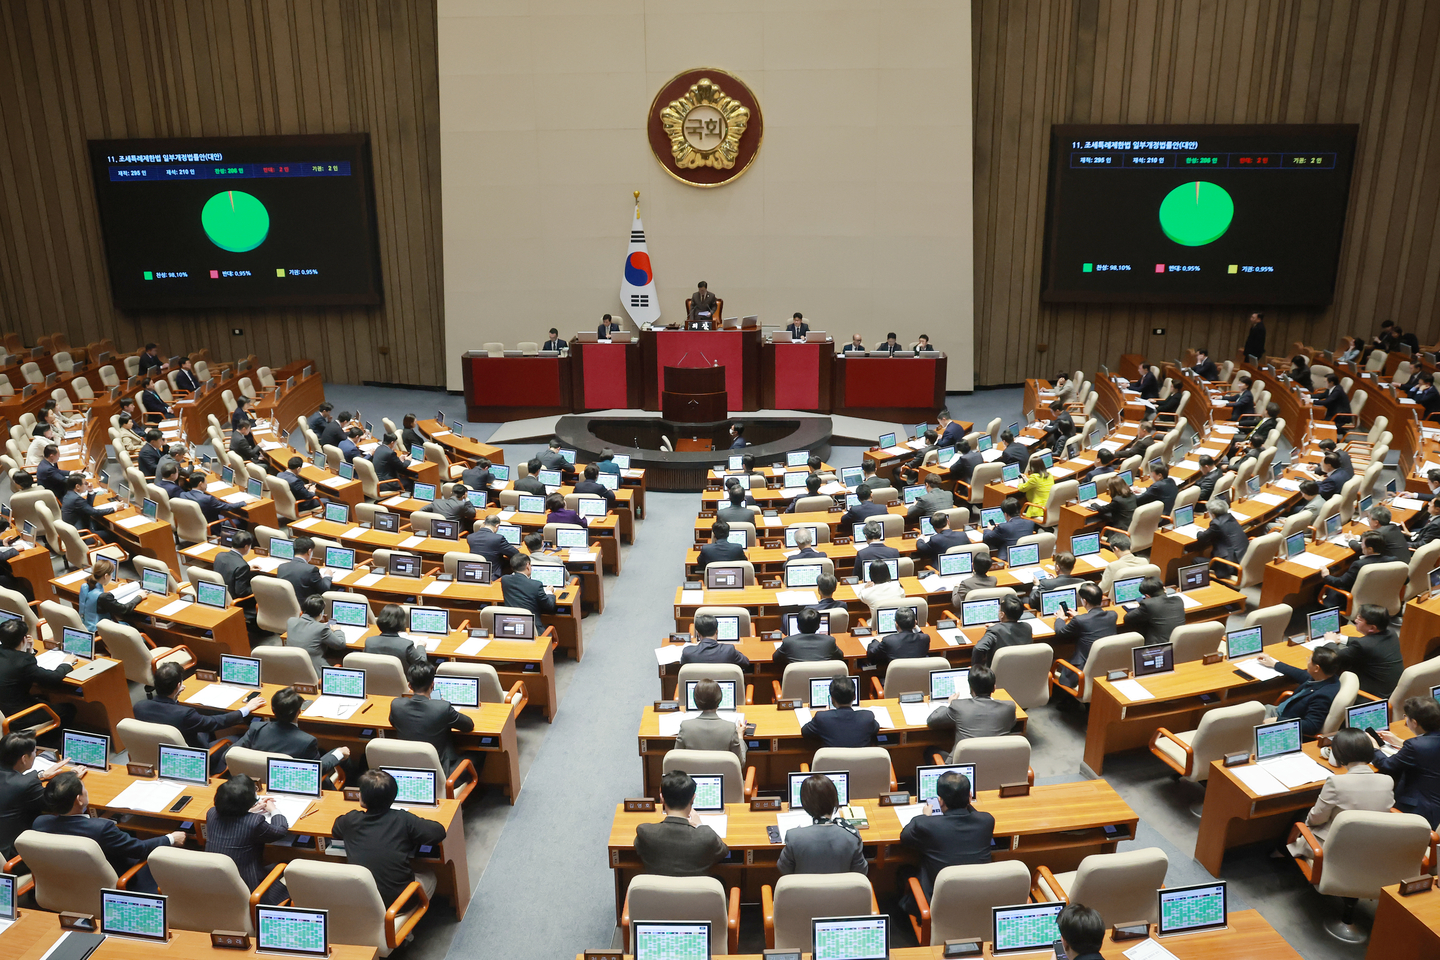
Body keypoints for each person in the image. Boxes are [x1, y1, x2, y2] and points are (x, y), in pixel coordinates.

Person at [35, 771, 183, 892]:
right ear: (79, 799)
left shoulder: (40, 824)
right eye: (84, 788)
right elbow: (140, 849)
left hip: (67, 885)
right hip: (122, 881)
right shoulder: (101, 829)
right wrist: (171, 838)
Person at [331, 770, 447, 905]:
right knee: (430, 876)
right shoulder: (403, 819)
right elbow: (438, 832)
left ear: (362, 798)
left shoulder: (350, 820)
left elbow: (336, 830)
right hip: (399, 903)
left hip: (363, 902)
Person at [1284, 727, 1395, 858]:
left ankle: (1282, 855)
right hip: (1374, 846)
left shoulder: (1335, 783)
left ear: (1338, 755)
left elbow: (1316, 819)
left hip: (1336, 848)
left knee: (1302, 816)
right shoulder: (1387, 780)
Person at [897, 769, 994, 915]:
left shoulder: (927, 825)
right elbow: (976, 814)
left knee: (904, 871)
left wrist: (925, 816)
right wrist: (966, 803)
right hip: (978, 901)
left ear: (940, 801)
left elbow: (905, 837)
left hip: (939, 906)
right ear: (970, 796)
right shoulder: (987, 821)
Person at [136, 662, 262, 769]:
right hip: (194, 760)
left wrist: (175, 696)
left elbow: (168, 712)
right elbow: (214, 722)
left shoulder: (139, 707)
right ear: (178, 685)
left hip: (159, 754)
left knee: (205, 729)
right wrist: (245, 709)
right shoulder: (185, 715)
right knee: (239, 736)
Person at [205, 774, 291, 904]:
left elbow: (236, 822)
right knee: (289, 866)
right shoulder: (254, 823)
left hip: (215, 885)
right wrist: (274, 810)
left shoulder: (211, 813)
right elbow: (280, 830)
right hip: (250, 892)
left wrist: (249, 811)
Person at [633, 770, 729, 877]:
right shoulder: (706, 835)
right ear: (693, 798)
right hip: (695, 888)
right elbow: (723, 852)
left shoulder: (645, 832)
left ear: (661, 798)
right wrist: (700, 825)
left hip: (657, 888)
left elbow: (639, 849)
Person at [233, 686, 348, 773]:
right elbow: (316, 770)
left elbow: (231, 753)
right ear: (299, 711)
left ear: (273, 710)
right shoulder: (307, 741)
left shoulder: (257, 728)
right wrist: (339, 753)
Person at [391, 661, 475, 774]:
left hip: (408, 768)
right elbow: (468, 725)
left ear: (409, 685)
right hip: (439, 771)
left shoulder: (396, 705)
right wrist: (441, 705)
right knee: (478, 754)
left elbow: (393, 722)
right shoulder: (442, 708)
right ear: (432, 684)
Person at [0, 733, 74, 859]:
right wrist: (70, 779)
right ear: (24, 759)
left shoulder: (21, 782)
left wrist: (41, 775)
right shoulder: (26, 784)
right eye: (35, 752)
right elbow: (54, 804)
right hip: (13, 854)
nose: (36, 755)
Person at [777, 773, 866, 874]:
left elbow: (784, 869)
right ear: (835, 801)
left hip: (806, 885)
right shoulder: (851, 836)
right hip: (842, 885)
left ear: (805, 805)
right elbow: (861, 872)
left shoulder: (794, 837)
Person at [1373, 696, 1440, 827]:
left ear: (1414, 722)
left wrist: (1374, 749)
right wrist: (1400, 742)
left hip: (1420, 811)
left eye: (1406, 717)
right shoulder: (1418, 744)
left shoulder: (1415, 746)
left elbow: (1386, 765)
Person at [1254, 644, 1342, 738]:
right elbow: (1299, 673)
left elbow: (1311, 726)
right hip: (1281, 711)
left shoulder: (1322, 696)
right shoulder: (1326, 677)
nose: (1307, 662)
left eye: (1309, 660)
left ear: (1316, 668)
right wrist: (1274, 664)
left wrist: (1278, 720)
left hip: (1282, 722)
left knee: (1247, 718)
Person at [0, 618, 74, 727]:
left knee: (42, 697)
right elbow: (53, 678)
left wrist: (29, 650)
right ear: (24, 639)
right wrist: (67, 663)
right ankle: (49, 737)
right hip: (17, 718)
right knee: (69, 709)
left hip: (4, 709)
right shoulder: (23, 662)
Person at [926, 667, 1017, 747]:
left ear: (971, 688)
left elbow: (932, 721)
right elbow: (1011, 723)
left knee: (930, 751)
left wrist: (948, 704)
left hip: (964, 760)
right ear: (994, 688)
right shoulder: (1009, 707)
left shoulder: (957, 706)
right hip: (995, 759)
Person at [1327, 604, 1404, 698]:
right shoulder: (1391, 633)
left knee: (1331, 666)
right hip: (1389, 691)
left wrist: (1329, 641)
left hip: (1371, 697)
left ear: (1372, 628)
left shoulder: (1364, 645)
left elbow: (1335, 656)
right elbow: (1366, 642)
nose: (1355, 621)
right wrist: (1341, 638)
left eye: (1360, 619)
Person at [1054, 582, 1118, 686]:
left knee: (1055, 659)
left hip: (1082, 670)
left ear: (1084, 601)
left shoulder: (1080, 620)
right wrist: (1080, 617)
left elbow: (1061, 632)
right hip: (1106, 666)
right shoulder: (1112, 615)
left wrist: (1060, 619)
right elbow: (1093, 622)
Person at [675, 679, 746, 764]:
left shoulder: (685, 727)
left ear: (696, 701)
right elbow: (740, 763)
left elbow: (676, 760)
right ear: (719, 699)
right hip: (722, 772)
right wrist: (740, 736)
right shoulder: (730, 728)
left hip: (692, 772)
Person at [1320, 532, 1396, 607]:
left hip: (1355, 600)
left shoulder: (1359, 565)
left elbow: (1341, 582)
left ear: (1370, 549)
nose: (1360, 545)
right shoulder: (1392, 561)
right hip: (1382, 596)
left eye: (1362, 543)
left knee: (1322, 588)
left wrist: (1326, 575)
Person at [285, 596, 348, 674]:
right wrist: (337, 630)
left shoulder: (291, 621)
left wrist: (318, 625)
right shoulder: (321, 628)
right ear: (320, 613)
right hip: (315, 671)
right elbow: (340, 644)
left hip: (292, 668)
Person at [76, 558, 141, 632]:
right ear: (106, 576)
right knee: (134, 627)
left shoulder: (85, 587)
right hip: (99, 630)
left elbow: (99, 598)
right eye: (111, 575)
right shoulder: (104, 597)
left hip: (86, 626)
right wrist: (139, 597)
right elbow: (124, 609)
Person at [972, 595, 1032, 668]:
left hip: (997, 672)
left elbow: (978, 648)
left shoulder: (994, 631)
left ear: (1002, 615)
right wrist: (998, 626)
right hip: (1022, 669)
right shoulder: (1027, 628)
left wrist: (977, 669)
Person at [214, 529, 258, 625]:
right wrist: (257, 588)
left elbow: (228, 569)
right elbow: (241, 592)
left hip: (220, 594)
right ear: (246, 547)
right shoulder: (242, 565)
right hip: (236, 600)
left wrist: (247, 569)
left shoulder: (219, 556)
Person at [866, 608, 930, 673]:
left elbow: (871, 655)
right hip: (918, 677)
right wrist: (915, 626)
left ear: (896, 624)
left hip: (895, 678)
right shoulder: (925, 638)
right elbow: (921, 635)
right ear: (915, 623)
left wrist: (876, 641)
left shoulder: (888, 640)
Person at [364, 604, 428, 670]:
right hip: (404, 677)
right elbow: (422, 664)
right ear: (401, 622)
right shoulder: (406, 645)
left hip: (374, 676)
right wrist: (421, 646)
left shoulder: (369, 642)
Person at [1123, 577, 1183, 644]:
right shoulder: (1178, 600)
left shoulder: (1148, 604)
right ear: (1164, 588)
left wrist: (1142, 605)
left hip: (1159, 646)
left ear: (1147, 596)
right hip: (1179, 643)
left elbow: (1127, 618)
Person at [775, 608, 845, 666]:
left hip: (797, 678)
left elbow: (776, 658)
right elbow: (840, 656)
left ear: (798, 627)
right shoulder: (829, 641)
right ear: (818, 626)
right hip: (821, 678)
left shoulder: (788, 642)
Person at [680, 613, 750, 667]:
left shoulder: (688, 652)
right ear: (717, 631)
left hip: (699, 682)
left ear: (698, 634)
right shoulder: (729, 650)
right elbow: (746, 662)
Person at [278, 536, 331, 605]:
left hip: (286, 605)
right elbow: (324, 589)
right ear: (309, 551)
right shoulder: (311, 570)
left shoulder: (281, 567)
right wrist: (327, 576)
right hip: (306, 606)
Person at [1193, 498, 1248, 563]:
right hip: (1243, 557)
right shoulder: (1231, 518)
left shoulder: (1217, 524)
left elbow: (1202, 538)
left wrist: (1199, 531)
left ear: (1212, 515)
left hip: (1229, 563)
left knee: (1196, 560)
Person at [1099, 533, 1147, 597]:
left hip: (1119, 599)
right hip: (1140, 597)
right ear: (1130, 546)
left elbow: (1103, 590)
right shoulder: (1144, 561)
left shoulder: (1113, 566)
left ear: (1116, 549)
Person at [1016, 454, 1054, 521]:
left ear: (1032, 468)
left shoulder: (1035, 478)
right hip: (1050, 506)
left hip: (1039, 508)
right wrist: (1028, 480)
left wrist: (1020, 482)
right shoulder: (1049, 474)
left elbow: (1022, 489)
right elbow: (1038, 484)